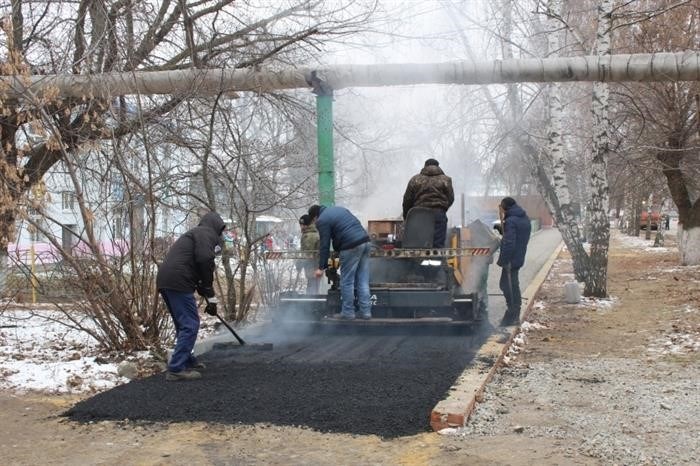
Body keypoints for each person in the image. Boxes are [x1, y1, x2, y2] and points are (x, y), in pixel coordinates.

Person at [156, 211, 226, 381]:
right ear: (216, 226)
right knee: (190, 324)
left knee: (183, 324)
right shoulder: (207, 233)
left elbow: (196, 263)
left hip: (167, 279)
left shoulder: (196, 233)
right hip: (179, 280)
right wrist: (208, 289)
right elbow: (204, 259)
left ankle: (186, 360)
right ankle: (176, 368)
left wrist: (206, 292)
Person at [308, 204, 372, 320]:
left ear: (314, 218)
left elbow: (325, 245)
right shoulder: (339, 209)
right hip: (365, 242)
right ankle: (365, 312)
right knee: (362, 280)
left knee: (347, 281)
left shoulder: (322, 220)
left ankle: (348, 312)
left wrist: (321, 267)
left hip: (351, 246)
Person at [402, 158, 455, 247]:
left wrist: (407, 217)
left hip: (418, 216)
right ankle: (437, 260)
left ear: (425, 166)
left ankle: (418, 261)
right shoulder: (446, 180)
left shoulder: (415, 179)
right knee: (437, 248)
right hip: (438, 215)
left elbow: (407, 200)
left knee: (418, 247)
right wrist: (442, 208)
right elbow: (450, 198)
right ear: (438, 166)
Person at [496, 197, 531, 326]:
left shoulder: (510, 221)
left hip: (511, 259)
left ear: (505, 208)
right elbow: (518, 234)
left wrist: (503, 260)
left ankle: (513, 315)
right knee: (511, 284)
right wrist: (502, 229)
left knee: (508, 286)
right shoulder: (523, 218)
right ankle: (513, 313)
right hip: (518, 256)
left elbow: (509, 243)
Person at [298, 214, 321, 294]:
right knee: (314, 286)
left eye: (301, 225)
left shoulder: (309, 236)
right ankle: (313, 303)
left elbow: (308, 255)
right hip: (315, 266)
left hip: (312, 267)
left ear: (305, 225)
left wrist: (299, 263)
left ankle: (312, 304)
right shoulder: (312, 233)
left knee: (312, 289)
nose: (300, 227)